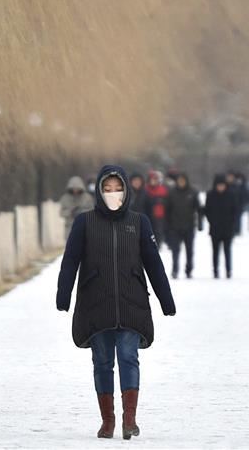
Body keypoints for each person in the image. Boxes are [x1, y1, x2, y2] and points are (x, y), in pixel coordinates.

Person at [56, 164, 176, 440]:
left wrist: (165, 300)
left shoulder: (138, 222)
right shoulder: (84, 223)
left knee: (128, 356)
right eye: (107, 189)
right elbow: (70, 261)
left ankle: (129, 419)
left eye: (117, 188)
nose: (112, 193)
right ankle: (107, 420)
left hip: (131, 301)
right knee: (102, 361)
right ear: (98, 191)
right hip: (96, 302)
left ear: (126, 191)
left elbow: (153, 263)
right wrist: (63, 295)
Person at [165, 172, 202, 279]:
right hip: (175, 227)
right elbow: (167, 210)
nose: (181, 182)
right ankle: (175, 270)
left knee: (189, 250)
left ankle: (189, 270)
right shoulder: (171, 193)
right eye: (179, 180)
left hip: (189, 226)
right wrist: (167, 226)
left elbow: (198, 209)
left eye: (183, 180)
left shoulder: (193, 192)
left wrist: (200, 224)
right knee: (175, 251)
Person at [204, 174, 238, 278]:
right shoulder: (210, 195)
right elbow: (207, 210)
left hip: (227, 228)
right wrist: (212, 221)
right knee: (215, 251)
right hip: (215, 228)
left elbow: (235, 211)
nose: (220, 187)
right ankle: (215, 270)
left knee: (227, 250)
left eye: (222, 185)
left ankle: (228, 270)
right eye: (218, 185)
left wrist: (232, 224)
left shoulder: (231, 195)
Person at [59, 175, 94, 239]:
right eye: (73, 188)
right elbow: (61, 213)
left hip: (84, 226)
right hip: (70, 227)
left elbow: (92, 211)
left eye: (77, 188)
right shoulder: (65, 198)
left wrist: (81, 212)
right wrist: (70, 212)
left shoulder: (87, 198)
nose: (75, 190)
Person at [144, 169, 169, 247]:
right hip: (148, 215)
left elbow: (168, 202)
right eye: (151, 179)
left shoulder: (163, 189)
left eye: (155, 179)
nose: (153, 181)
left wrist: (161, 201)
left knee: (158, 233)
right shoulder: (145, 189)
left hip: (160, 216)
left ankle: (158, 245)